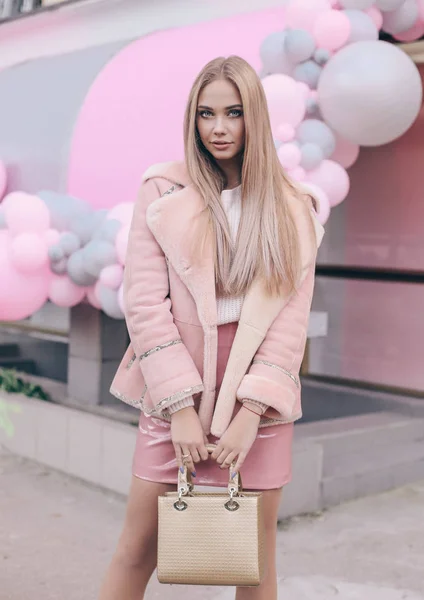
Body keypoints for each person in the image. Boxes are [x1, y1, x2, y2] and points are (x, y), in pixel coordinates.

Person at [98, 55, 324, 600]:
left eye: (233, 113)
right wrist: (179, 408)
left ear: (255, 119)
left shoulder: (293, 207)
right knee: (136, 550)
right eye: (206, 114)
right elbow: (146, 304)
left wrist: (252, 412)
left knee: (255, 561)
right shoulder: (163, 191)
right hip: (174, 383)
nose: (218, 128)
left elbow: (290, 321)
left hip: (259, 395)